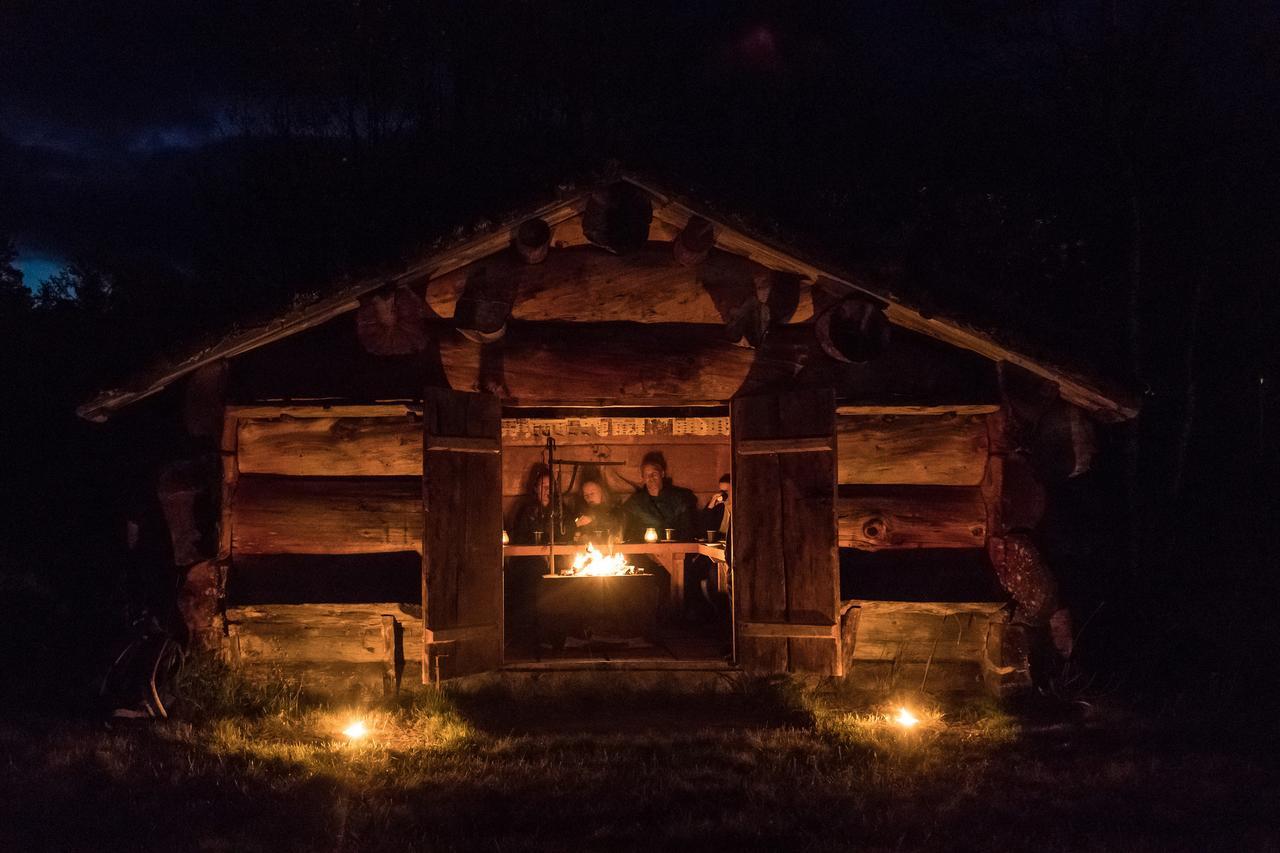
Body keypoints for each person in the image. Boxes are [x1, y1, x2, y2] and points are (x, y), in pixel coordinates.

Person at [622, 451, 698, 543]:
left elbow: (687, 529)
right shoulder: (635, 503)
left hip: (676, 550)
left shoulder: (679, 499)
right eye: (647, 475)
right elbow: (629, 532)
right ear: (643, 478)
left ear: (662, 474)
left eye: (654, 474)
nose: (651, 478)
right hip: (645, 551)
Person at [572, 477, 624, 542]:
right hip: (587, 549)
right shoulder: (581, 510)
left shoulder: (614, 507)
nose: (589, 497)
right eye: (586, 495)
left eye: (592, 493)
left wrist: (592, 517)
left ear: (601, 492)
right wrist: (576, 524)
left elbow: (616, 522)